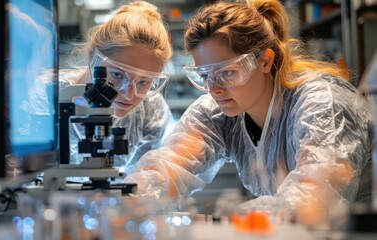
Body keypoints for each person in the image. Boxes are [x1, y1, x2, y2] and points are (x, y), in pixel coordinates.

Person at [124, 0, 373, 229]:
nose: (215, 89)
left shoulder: (321, 105)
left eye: (227, 72)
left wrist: (244, 221)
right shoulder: (216, 112)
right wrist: (127, 205)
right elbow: (169, 166)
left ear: (264, 61)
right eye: (205, 76)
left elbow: (315, 194)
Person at [60, 1, 174, 175]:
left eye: (144, 82)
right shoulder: (49, 96)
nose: (128, 95)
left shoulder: (151, 110)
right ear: (93, 58)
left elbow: (144, 180)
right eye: (118, 75)